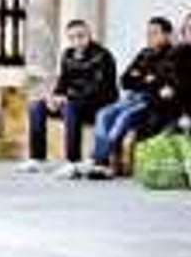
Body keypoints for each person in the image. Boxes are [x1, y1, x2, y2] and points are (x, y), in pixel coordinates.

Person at [18, 19, 118, 179]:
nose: (77, 41)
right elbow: (63, 81)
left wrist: (67, 98)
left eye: (81, 36)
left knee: (70, 107)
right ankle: (38, 158)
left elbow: (98, 88)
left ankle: (73, 161)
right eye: (72, 37)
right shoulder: (68, 55)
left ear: (89, 35)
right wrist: (55, 97)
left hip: (98, 104)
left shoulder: (102, 56)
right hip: (74, 101)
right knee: (36, 107)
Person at [81, 17, 174, 178]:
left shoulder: (173, 56)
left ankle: (97, 159)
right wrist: (146, 79)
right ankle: (103, 163)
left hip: (149, 101)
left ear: (167, 35)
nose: (150, 37)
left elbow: (162, 84)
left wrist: (143, 79)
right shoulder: (144, 53)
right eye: (148, 33)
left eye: (155, 33)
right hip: (131, 98)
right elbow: (125, 80)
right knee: (102, 113)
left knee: (123, 117)